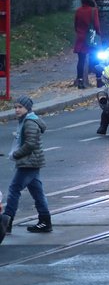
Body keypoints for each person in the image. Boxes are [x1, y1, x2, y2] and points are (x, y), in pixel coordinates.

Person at [1, 97, 53, 234]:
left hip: (29, 162)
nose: (17, 110)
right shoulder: (26, 120)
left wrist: (16, 154)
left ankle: (6, 222)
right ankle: (45, 221)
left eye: (20, 107)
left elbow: (30, 144)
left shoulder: (29, 122)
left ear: (27, 108)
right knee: (37, 192)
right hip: (32, 161)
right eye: (15, 107)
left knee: (14, 189)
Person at [73, 0, 101, 88]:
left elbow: (76, 24)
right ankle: (99, 80)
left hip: (81, 38)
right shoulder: (94, 11)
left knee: (81, 60)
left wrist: (79, 32)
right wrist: (99, 34)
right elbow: (96, 25)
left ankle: (80, 81)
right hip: (91, 38)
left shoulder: (78, 11)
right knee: (96, 60)